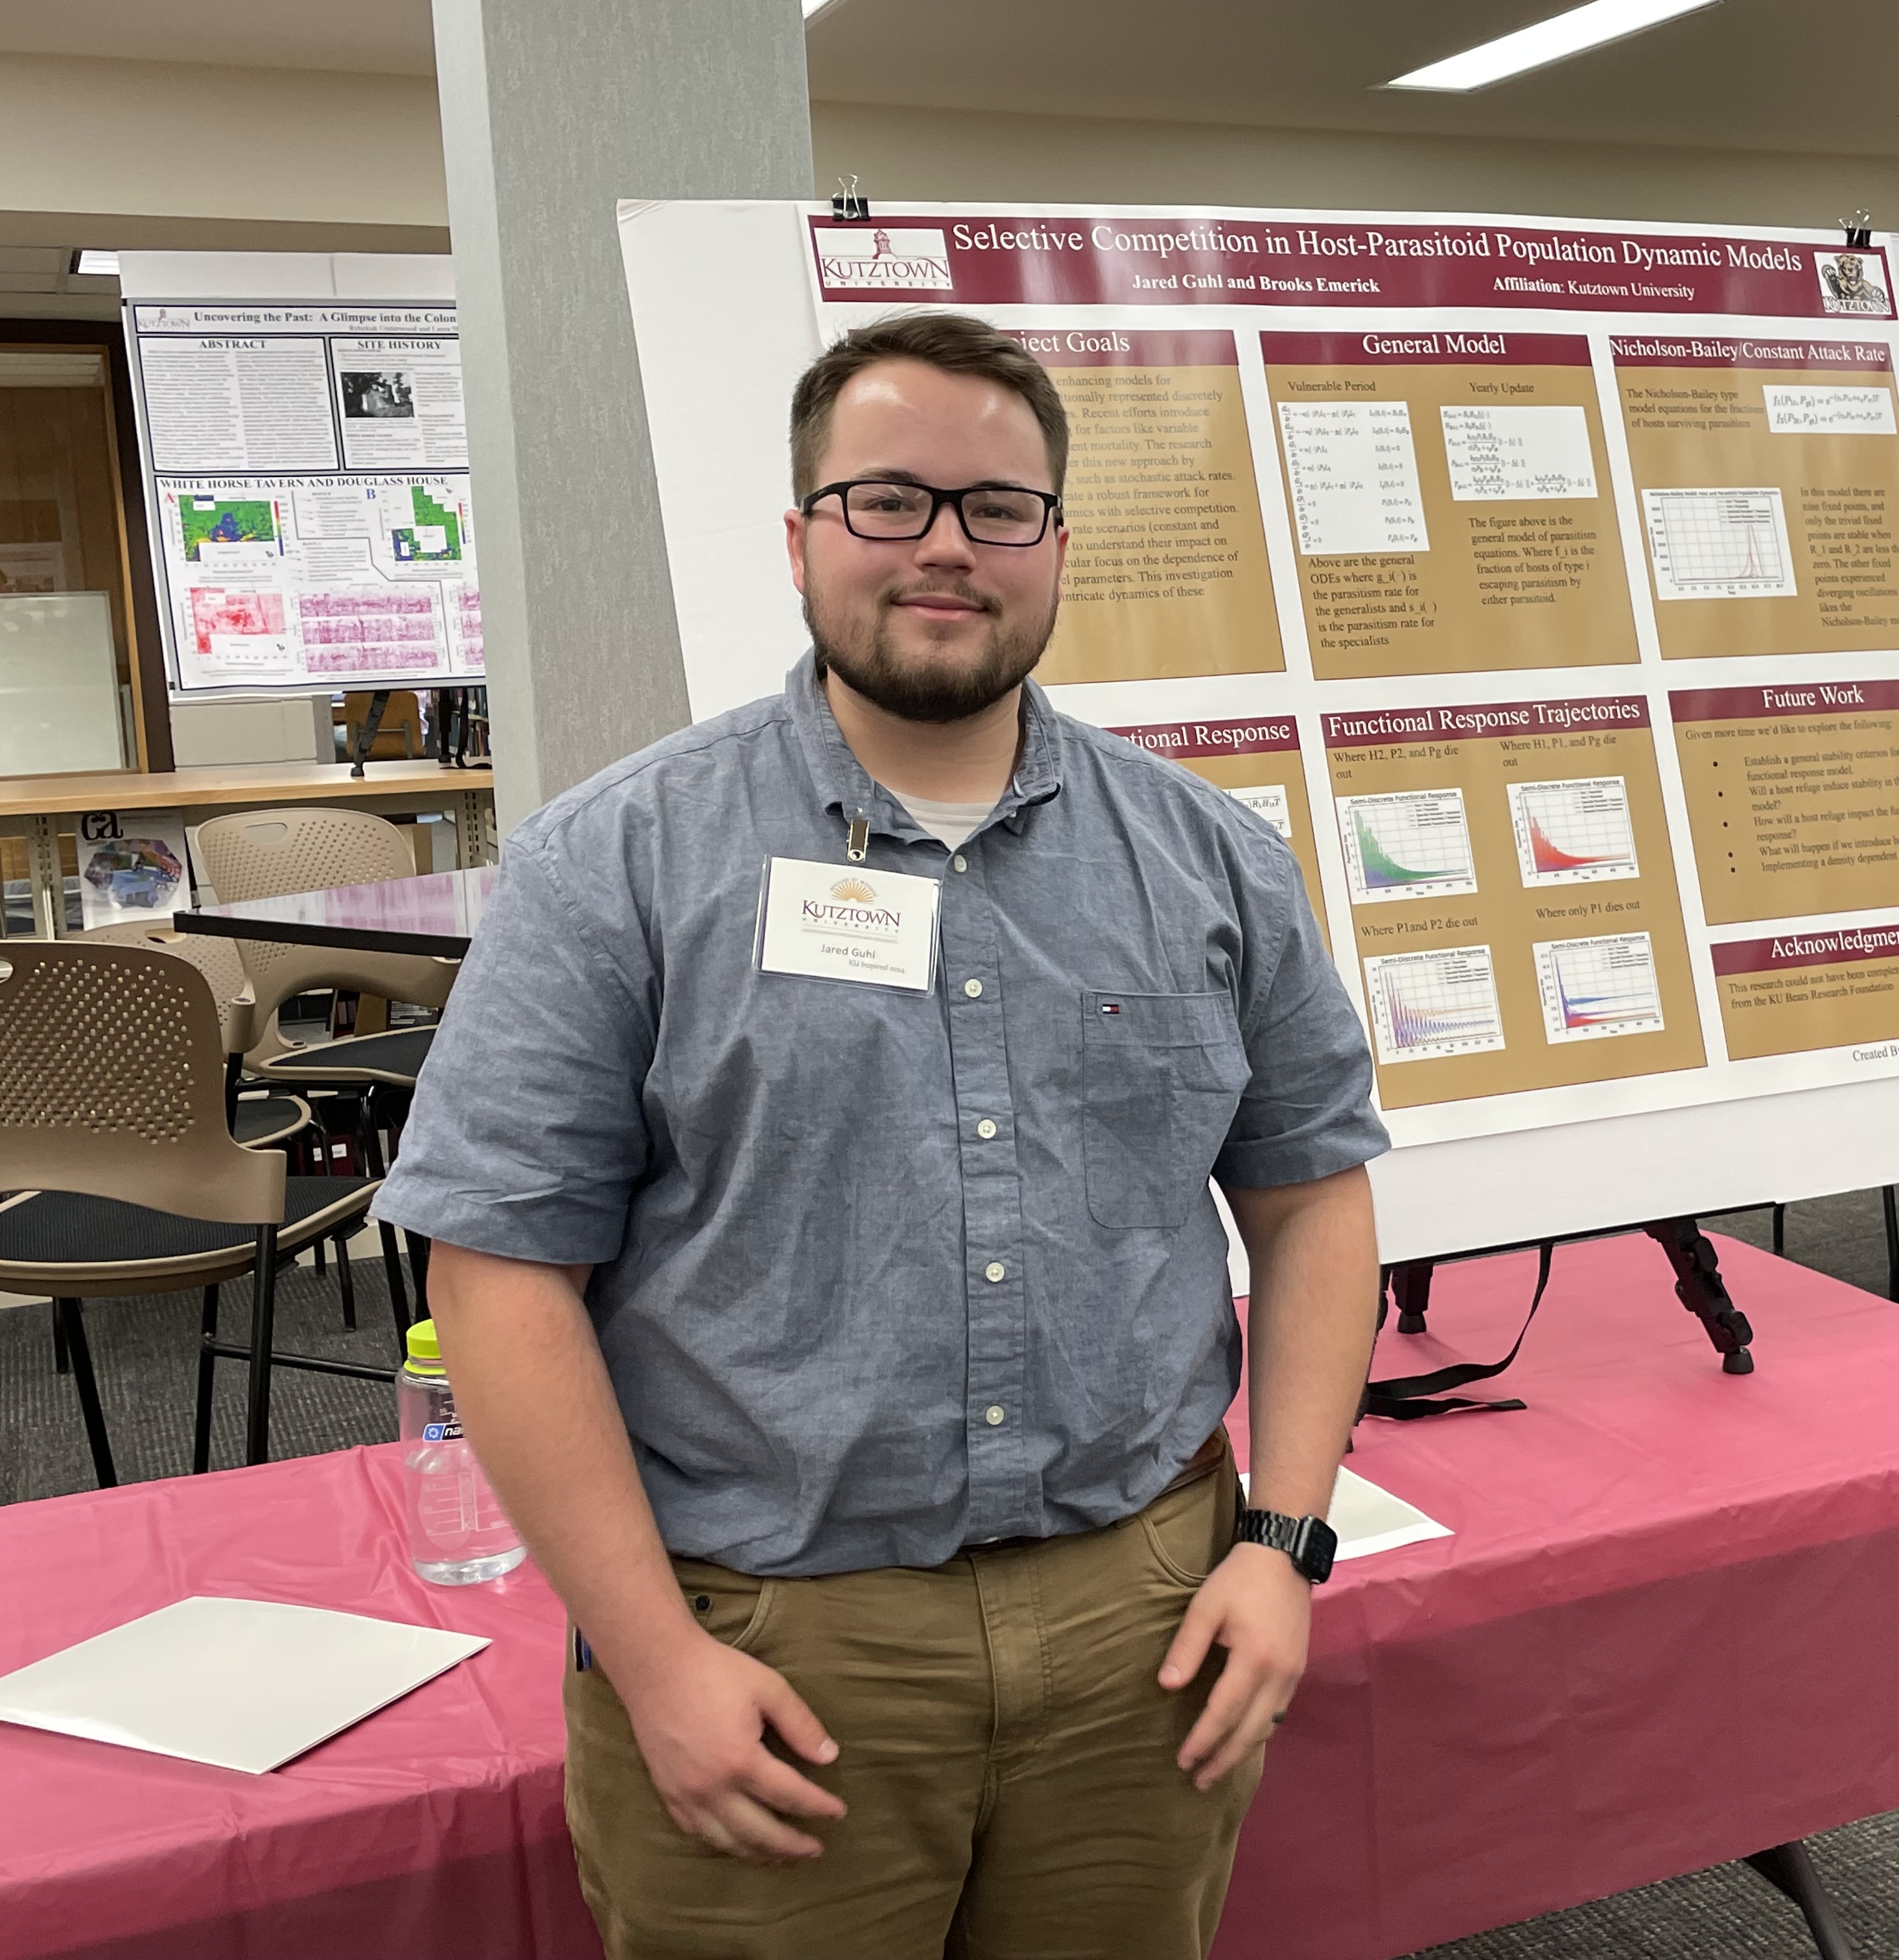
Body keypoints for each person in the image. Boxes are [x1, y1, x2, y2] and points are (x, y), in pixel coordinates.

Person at [371, 312, 1388, 1959]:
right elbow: (497, 1272)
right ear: (799, 539)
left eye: (999, 508)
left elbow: (1312, 1197)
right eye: (888, 500)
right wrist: (655, 1660)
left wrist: (1284, 1540)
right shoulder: (616, 863)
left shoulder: (1208, 858)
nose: (945, 547)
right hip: (770, 1641)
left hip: (1145, 1629)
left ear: (1057, 548)